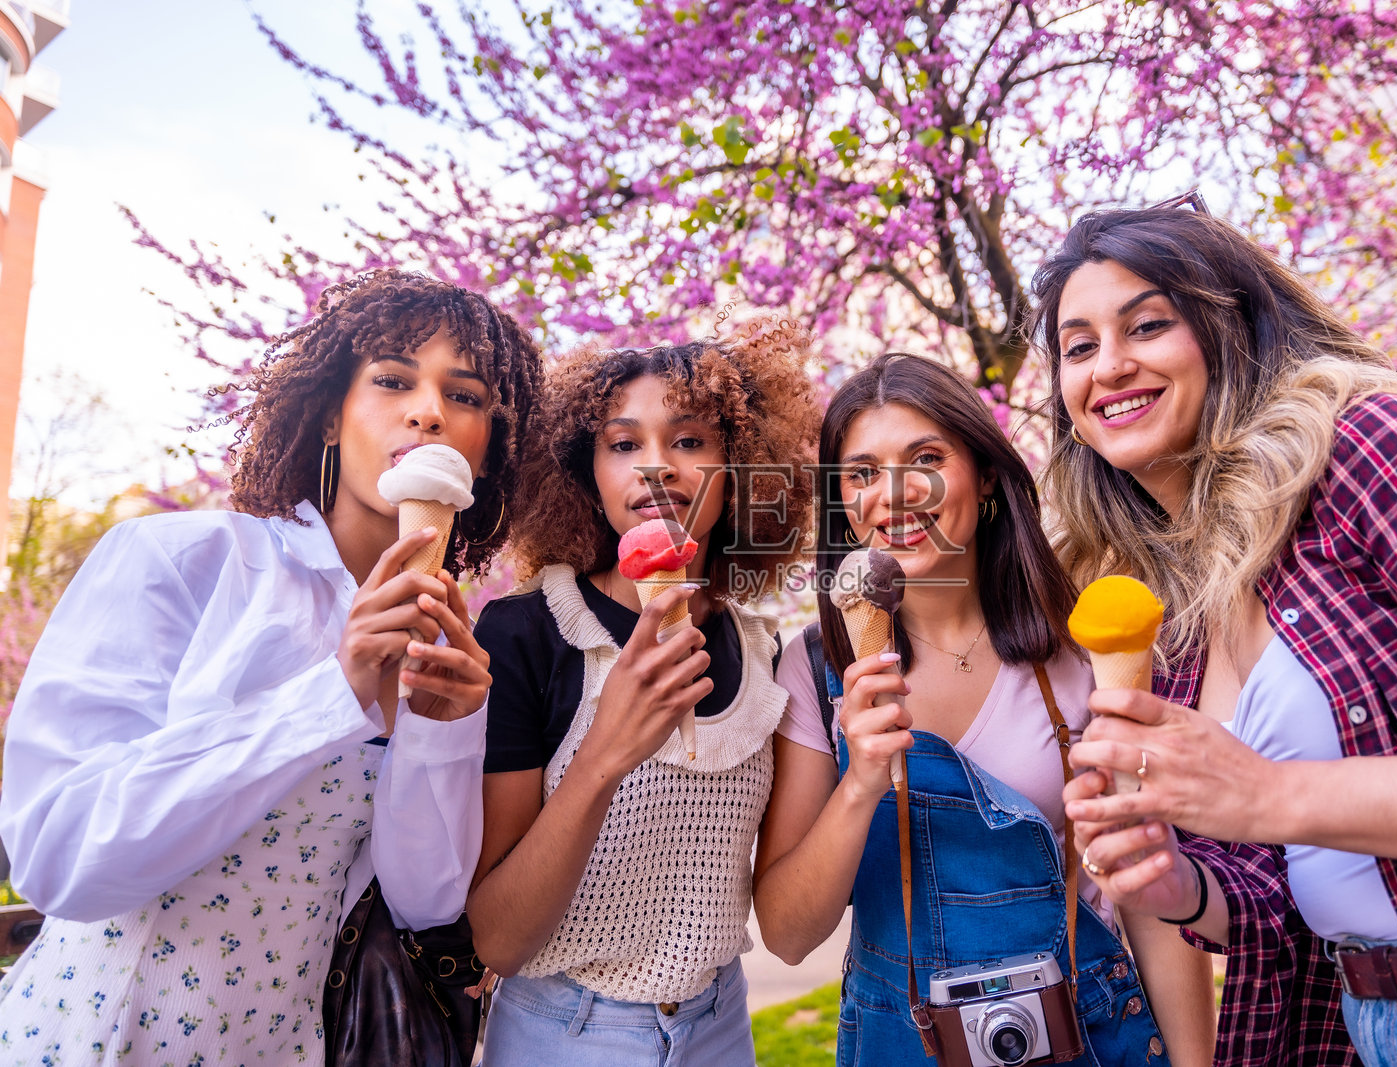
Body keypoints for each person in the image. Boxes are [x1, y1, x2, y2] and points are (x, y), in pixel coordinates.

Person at [1031, 206, 1397, 1067]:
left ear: (1233, 327)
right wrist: (1181, 886)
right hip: (1365, 1026)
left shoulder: (1379, 451)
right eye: (1077, 347)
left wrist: (1269, 793)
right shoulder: (1180, 595)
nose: (1109, 365)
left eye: (1148, 324)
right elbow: (1289, 895)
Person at [0, 268, 543, 1065]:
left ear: (485, 453)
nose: (429, 409)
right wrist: (337, 692)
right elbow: (58, 861)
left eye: (465, 396)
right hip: (96, 1039)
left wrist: (441, 733)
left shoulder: (453, 648)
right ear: (329, 415)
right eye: (392, 379)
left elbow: (422, 899)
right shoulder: (183, 560)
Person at [753, 354, 1215, 1067]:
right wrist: (862, 779)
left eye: (926, 457)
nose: (893, 494)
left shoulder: (1081, 649)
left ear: (988, 474)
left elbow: (1150, 890)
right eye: (863, 472)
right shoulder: (815, 671)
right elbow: (786, 932)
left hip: (1091, 1035)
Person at [467, 315, 820, 1066]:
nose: (656, 466)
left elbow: (782, 905)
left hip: (722, 1026)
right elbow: (496, 934)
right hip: (564, 1033)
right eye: (624, 444)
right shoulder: (526, 633)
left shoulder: (762, 651)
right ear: (586, 474)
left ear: (738, 468)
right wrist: (604, 753)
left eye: (690, 440)